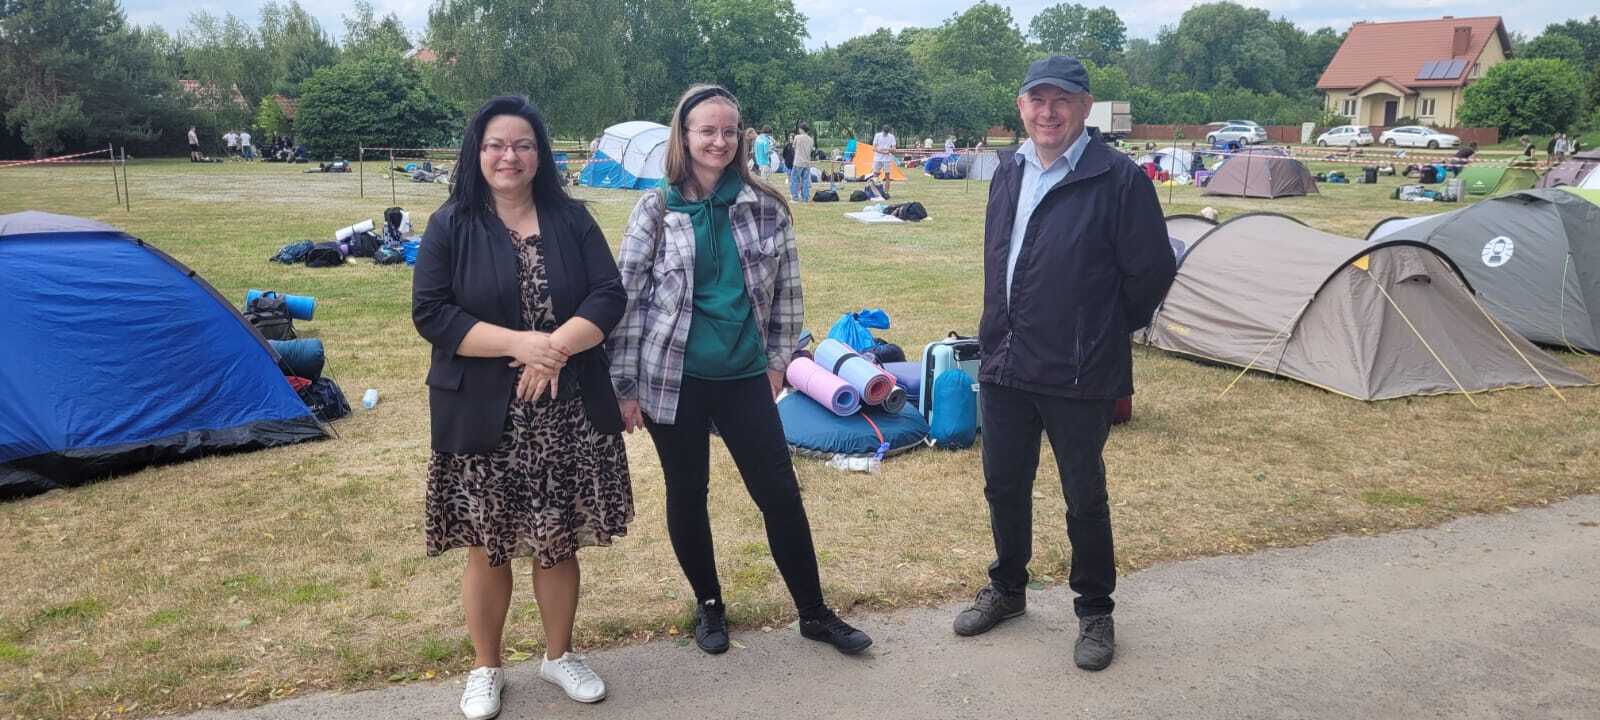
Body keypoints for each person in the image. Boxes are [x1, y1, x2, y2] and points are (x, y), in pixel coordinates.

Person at [608, 84, 873, 658]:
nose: (719, 141)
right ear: (684, 136)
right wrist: (623, 387)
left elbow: (787, 296)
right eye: (707, 130)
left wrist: (779, 363)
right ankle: (709, 606)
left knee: (779, 493)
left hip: (745, 377)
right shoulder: (655, 209)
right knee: (688, 492)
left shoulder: (766, 205)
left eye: (729, 131)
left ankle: (813, 612)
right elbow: (625, 302)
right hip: (671, 380)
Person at [412, 95, 634, 720]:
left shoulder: (572, 219)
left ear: (540, 155)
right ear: (476, 153)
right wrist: (520, 345)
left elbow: (608, 294)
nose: (508, 156)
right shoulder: (450, 224)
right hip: (483, 415)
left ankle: (559, 655)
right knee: (489, 544)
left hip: (567, 414)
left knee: (557, 540)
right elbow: (432, 313)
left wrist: (554, 350)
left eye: (522, 145)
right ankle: (487, 667)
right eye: (495, 145)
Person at [952, 55, 1176, 673]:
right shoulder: (1008, 169)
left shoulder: (1118, 178)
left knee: (1084, 496)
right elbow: (1002, 259)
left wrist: (1097, 330)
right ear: (1021, 106)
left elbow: (1152, 271)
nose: (1047, 112)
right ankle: (1007, 588)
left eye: (1061, 100)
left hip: (1079, 369)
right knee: (1004, 485)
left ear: (1084, 106)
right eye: (1037, 100)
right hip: (1004, 359)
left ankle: (1095, 610)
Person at [790, 123, 814, 202]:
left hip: (798, 162)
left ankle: (795, 197)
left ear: (801, 129)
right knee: (805, 181)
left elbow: (793, 147)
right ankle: (805, 198)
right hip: (807, 163)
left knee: (794, 179)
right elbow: (811, 150)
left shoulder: (797, 137)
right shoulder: (811, 139)